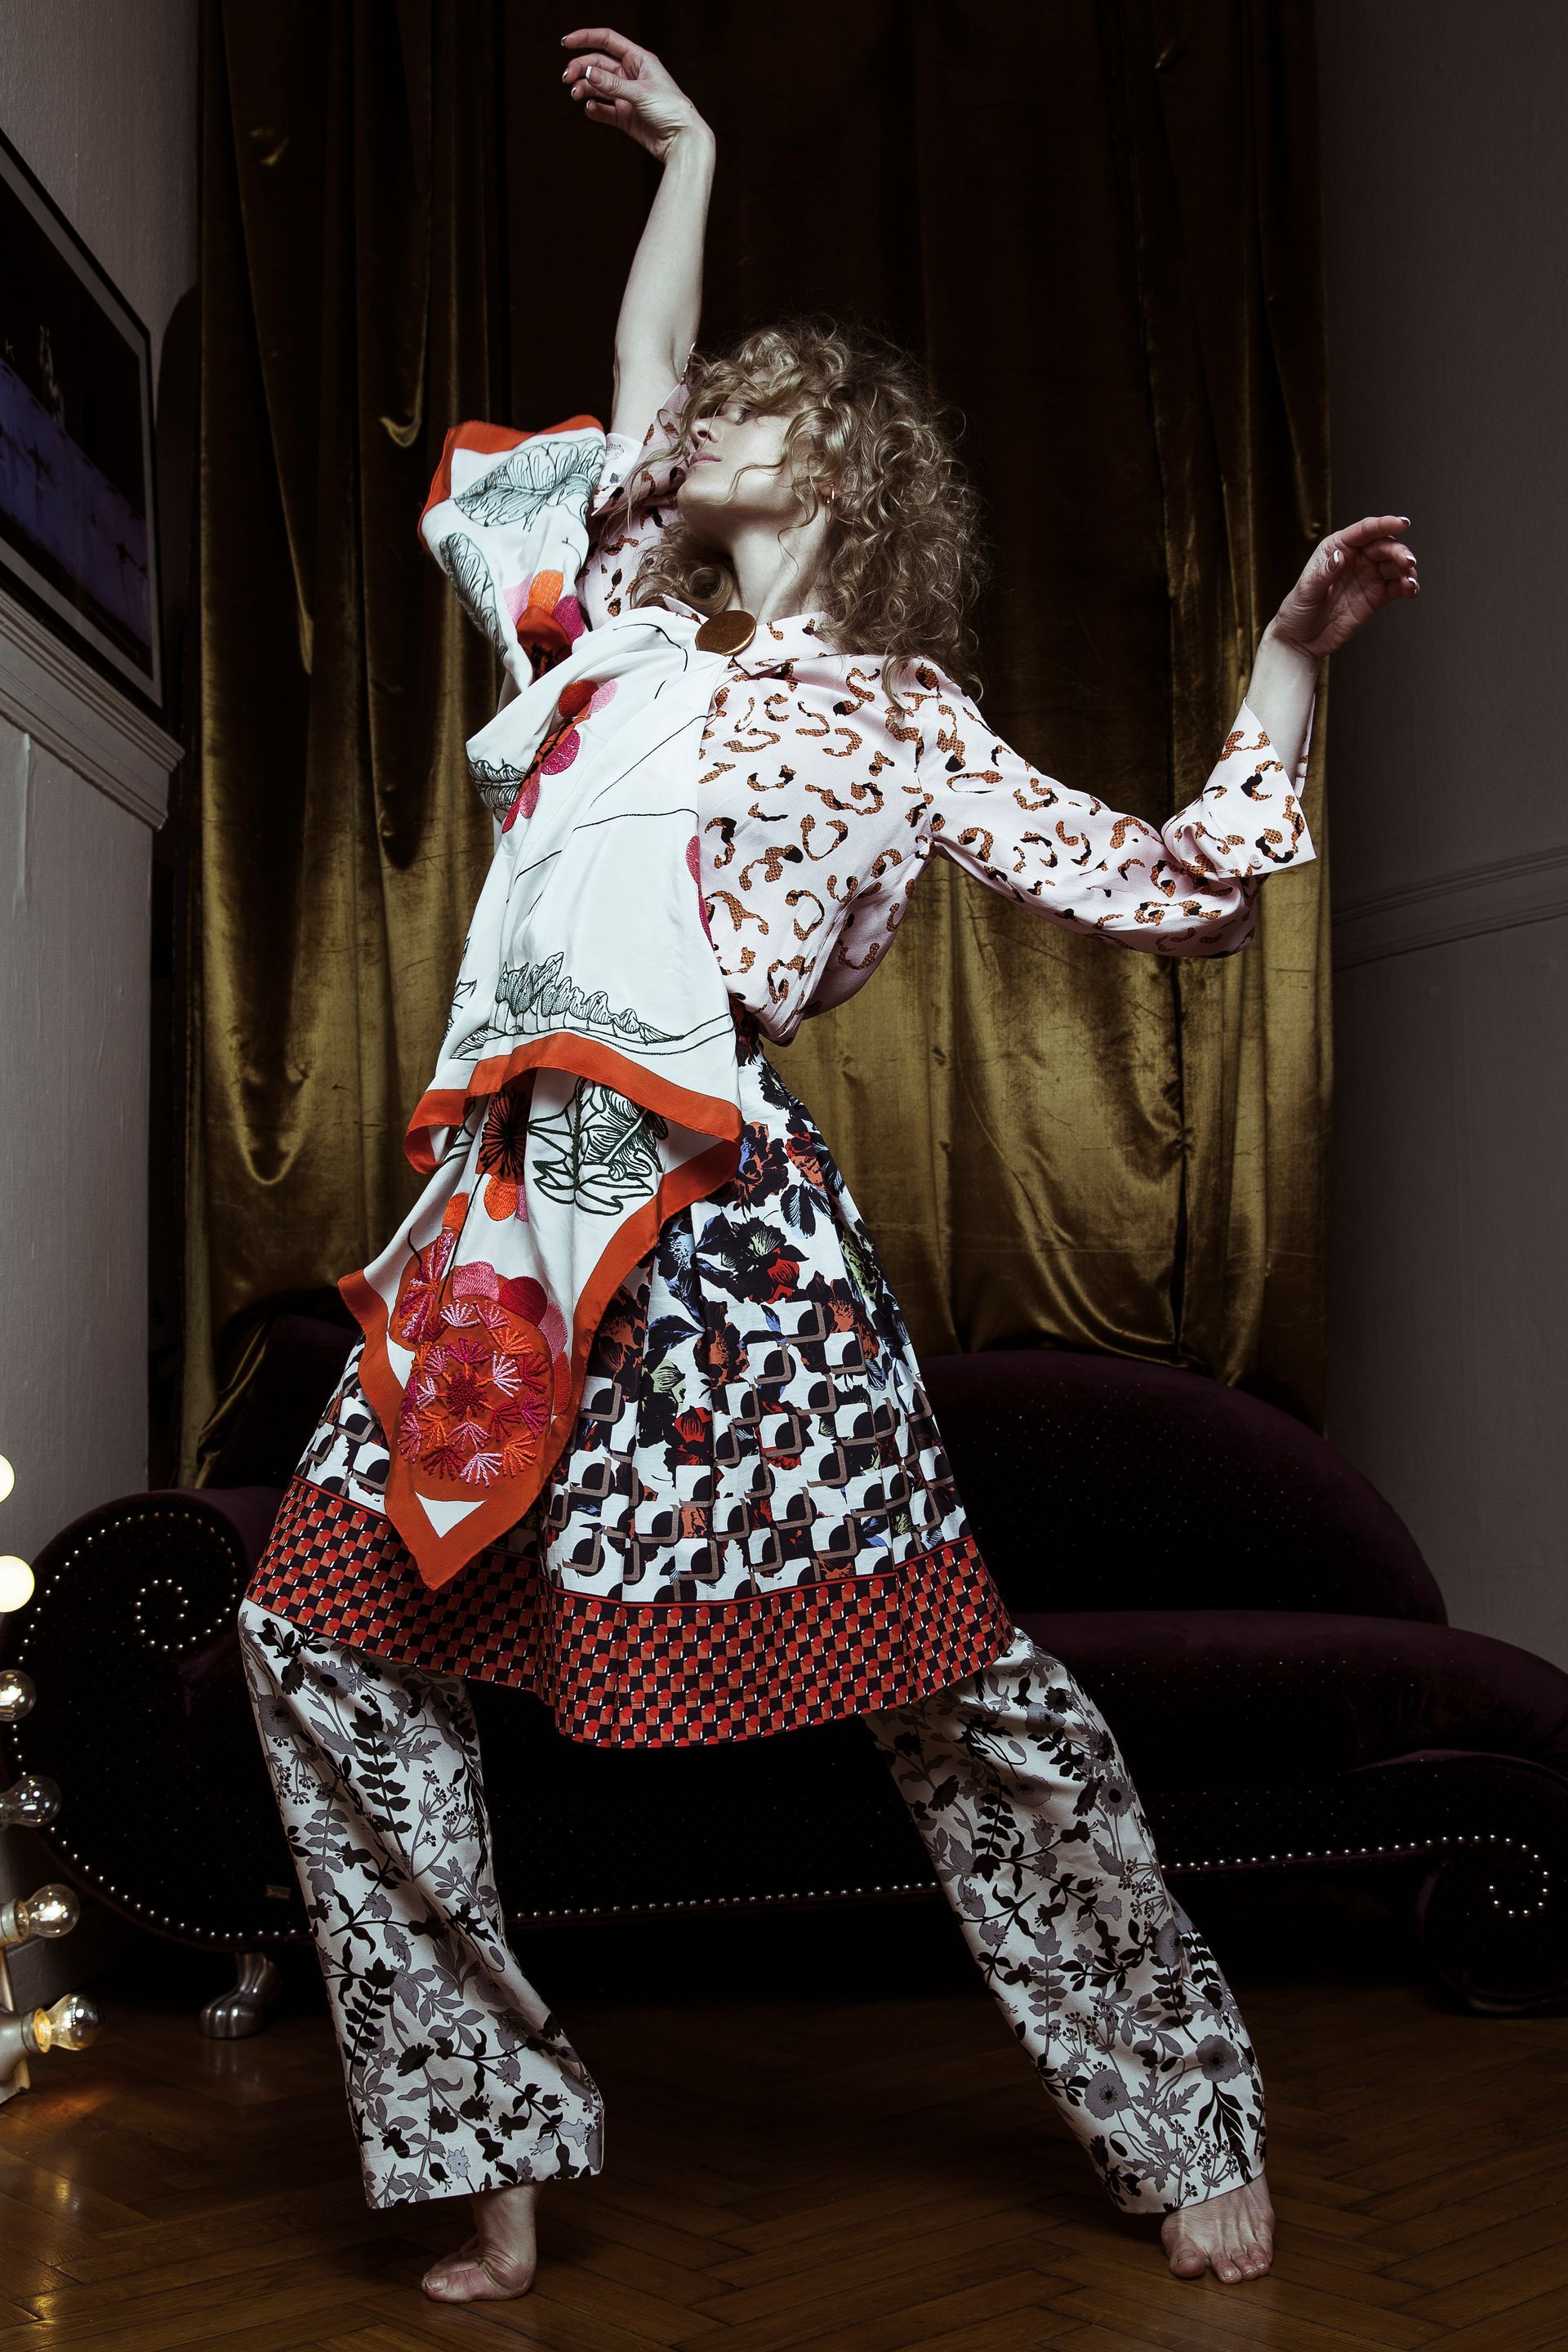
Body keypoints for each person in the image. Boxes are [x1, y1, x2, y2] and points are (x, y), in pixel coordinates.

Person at [235, 24, 1420, 2309]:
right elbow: (644, 371)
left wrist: (1283, 668)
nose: (705, 425)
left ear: (848, 470)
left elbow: (1177, 880)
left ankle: (1174, 2099)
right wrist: (687, 155)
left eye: (768, 401)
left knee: (960, 1697)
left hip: (735, 1255)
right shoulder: (604, 640)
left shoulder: (900, 713)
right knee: (321, 1640)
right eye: (712, 405)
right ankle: (481, 2121)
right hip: (501, 1223)